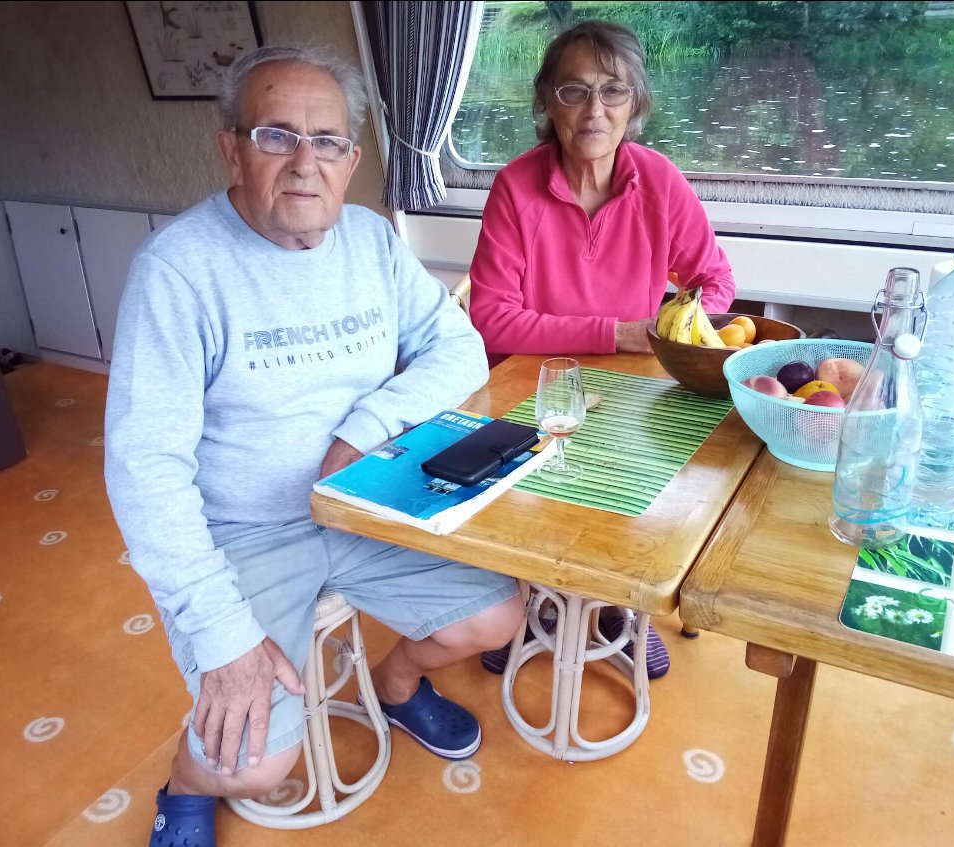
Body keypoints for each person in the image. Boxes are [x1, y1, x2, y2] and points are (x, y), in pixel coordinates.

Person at [104, 44, 524, 847]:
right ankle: (184, 784)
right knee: (256, 763)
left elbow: (458, 347)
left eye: (327, 141)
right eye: (276, 136)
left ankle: (398, 686)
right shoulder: (179, 271)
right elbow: (143, 469)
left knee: (499, 615)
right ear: (230, 147)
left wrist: (361, 430)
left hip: (363, 504)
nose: (305, 162)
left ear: (352, 159)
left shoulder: (368, 240)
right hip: (243, 532)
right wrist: (225, 637)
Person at [470, 20, 737, 679]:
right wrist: (613, 331)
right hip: (537, 381)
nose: (595, 110)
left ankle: (623, 608)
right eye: (575, 90)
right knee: (531, 497)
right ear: (547, 102)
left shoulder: (660, 181)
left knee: (640, 493)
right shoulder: (516, 186)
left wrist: (678, 323)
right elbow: (491, 316)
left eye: (613, 91)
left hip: (641, 385)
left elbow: (716, 283)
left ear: (635, 103)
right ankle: (529, 603)